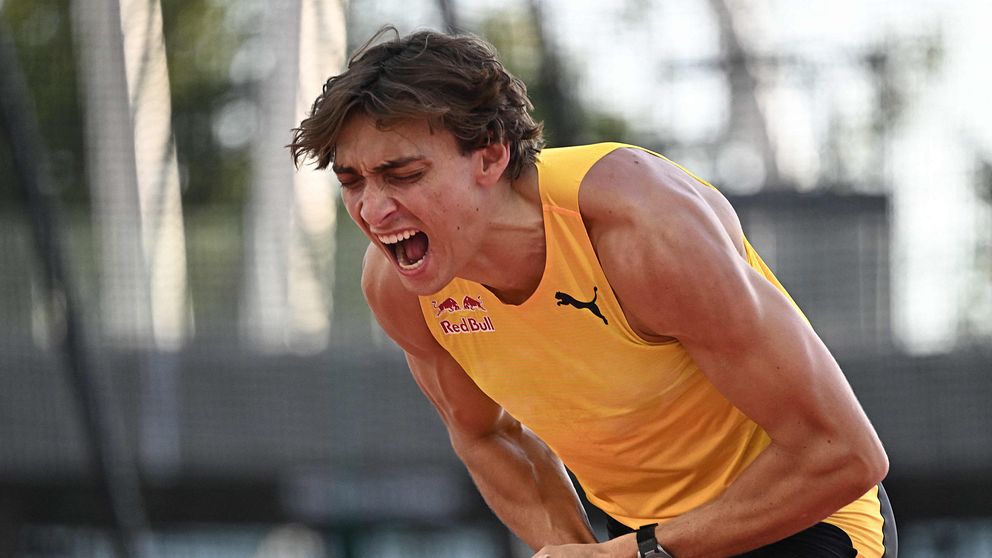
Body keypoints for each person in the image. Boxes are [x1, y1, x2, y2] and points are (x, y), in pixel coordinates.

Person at [289, 27, 897, 558]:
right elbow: (487, 435)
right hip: (644, 538)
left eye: (403, 175)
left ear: (491, 156)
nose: (373, 209)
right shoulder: (398, 288)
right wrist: (583, 551)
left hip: (805, 520)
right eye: (352, 181)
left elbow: (843, 454)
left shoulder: (638, 229)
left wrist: (635, 552)